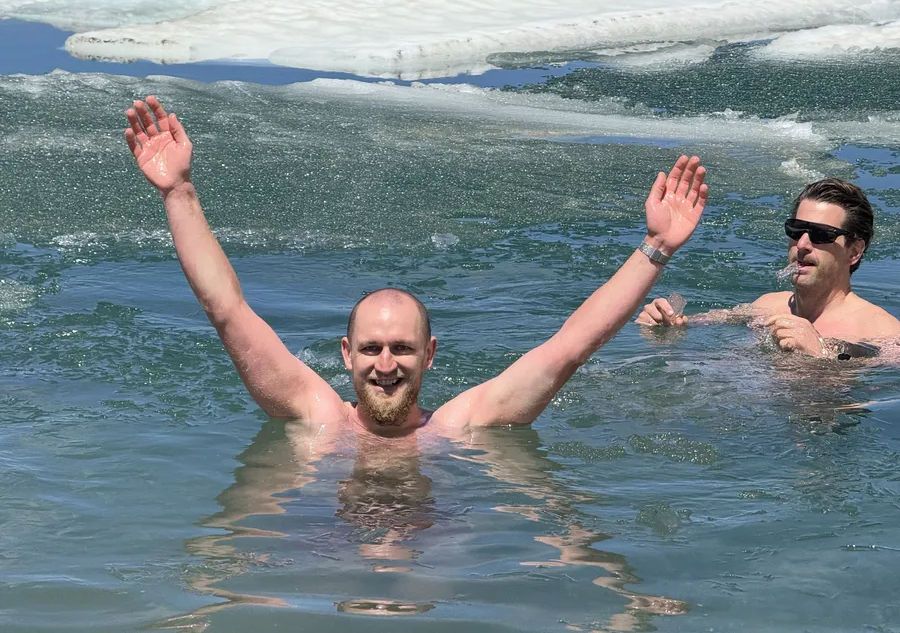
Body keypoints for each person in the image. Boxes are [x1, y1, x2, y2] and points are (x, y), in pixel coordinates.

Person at [125, 95, 708, 435]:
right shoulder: (319, 420)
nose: (386, 364)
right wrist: (178, 192)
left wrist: (656, 248)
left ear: (429, 355)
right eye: (373, 348)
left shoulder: (460, 430)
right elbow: (226, 310)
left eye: (402, 348)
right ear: (346, 354)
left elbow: (571, 345)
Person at [636, 176, 900, 358]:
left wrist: (823, 353)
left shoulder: (883, 332)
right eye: (796, 230)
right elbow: (697, 323)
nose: (803, 244)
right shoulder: (768, 306)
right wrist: (666, 323)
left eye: (821, 235)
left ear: (854, 251)